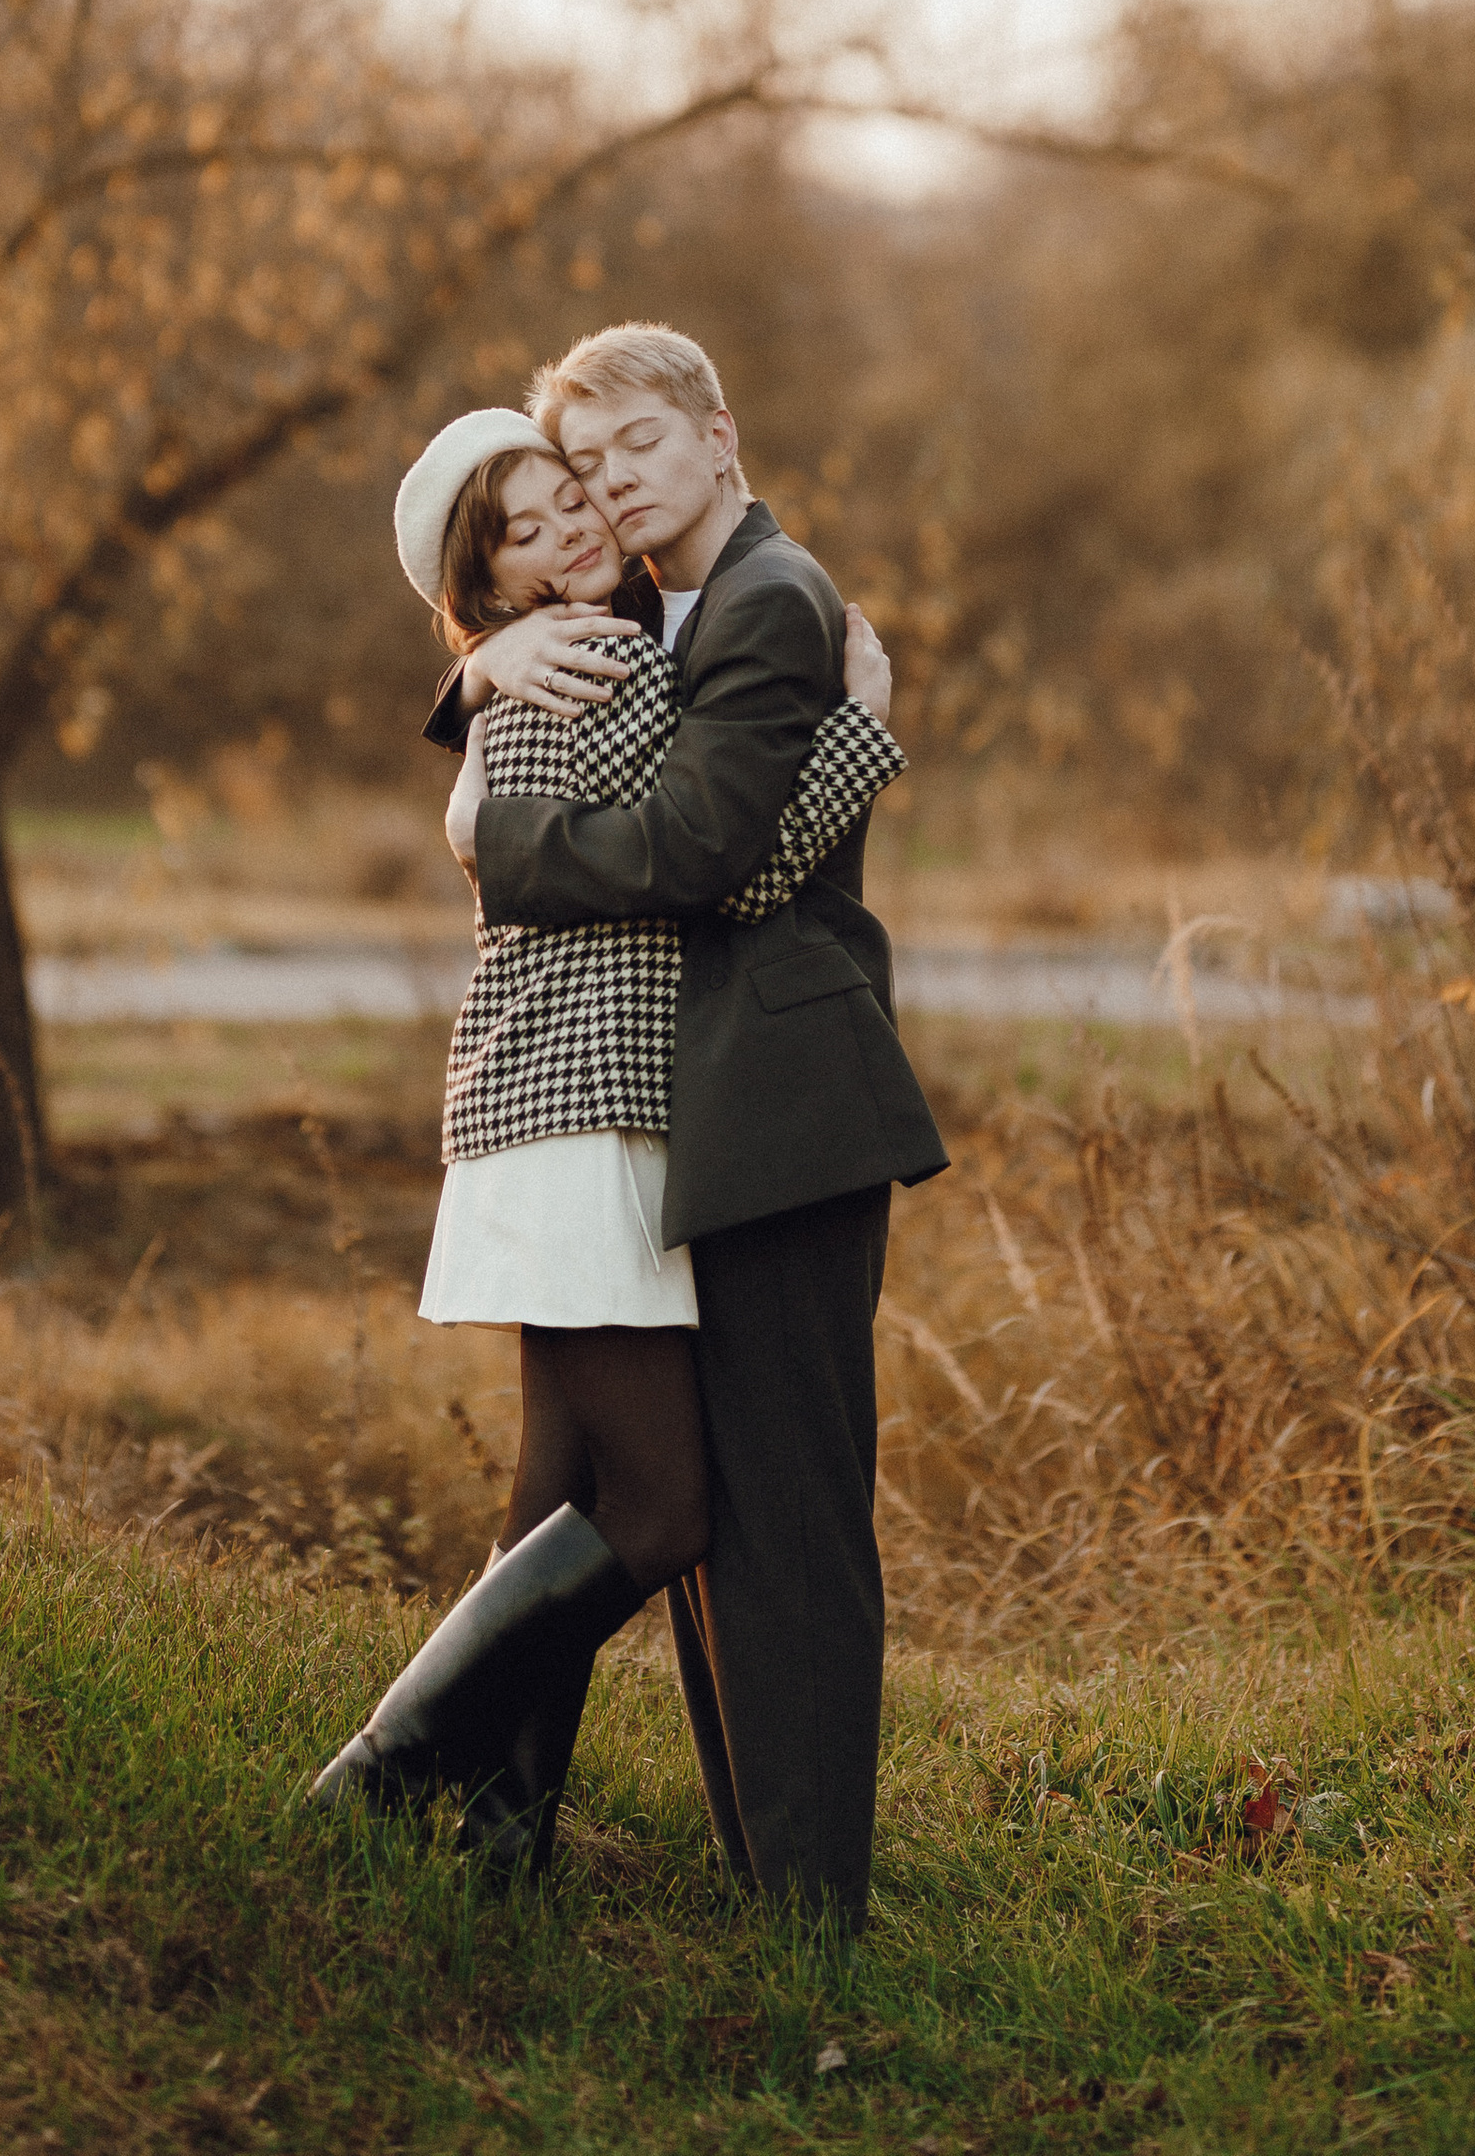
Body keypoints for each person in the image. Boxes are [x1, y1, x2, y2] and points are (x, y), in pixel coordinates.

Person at [305, 407, 904, 1877]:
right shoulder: (603, 663)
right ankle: (383, 1768)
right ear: (489, 585)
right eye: (524, 524)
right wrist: (864, 731)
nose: (573, 522)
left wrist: (466, 687)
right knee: (661, 1506)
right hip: (579, 1126)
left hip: (546, 1120)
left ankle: (506, 1844)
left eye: (570, 490)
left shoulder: (542, 670)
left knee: (555, 1497)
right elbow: (729, 857)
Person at [454, 326, 949, 1934]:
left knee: (788, 1519)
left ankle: (812, 1909)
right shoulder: (681, 605)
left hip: (791, 1114)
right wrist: (468, 682)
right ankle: (743, 1866)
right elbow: (540, 640)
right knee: (709, 1511)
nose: (606, 490)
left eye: (634, 453)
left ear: (719, 434)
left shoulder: (770, 603)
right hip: (710, 1120)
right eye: (584, 471)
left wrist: (500, 844)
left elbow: (712, 860)